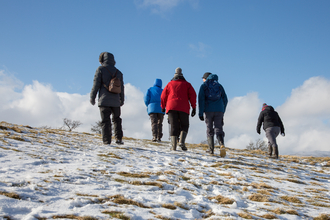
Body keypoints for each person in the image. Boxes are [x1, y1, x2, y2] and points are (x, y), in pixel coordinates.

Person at [90, 52, 125, 145]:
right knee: (117, 119)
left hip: (104, 100)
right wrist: (122, 100)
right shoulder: (119, 72)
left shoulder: (100, 69)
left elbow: (96, 85)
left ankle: (107, 141)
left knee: (105, 121)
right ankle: (119, 138)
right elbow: (122, 88)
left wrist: (92, 97)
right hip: (116, 101)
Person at [161, 67, 197, 151]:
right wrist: (194, 107)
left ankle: (173, 146)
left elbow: (163, 96)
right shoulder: (187, 84)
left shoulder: (169, 84)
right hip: (183, 107)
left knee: (174, 125)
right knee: (185, 125)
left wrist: (163, 106)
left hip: (171, 106)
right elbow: (193, 95)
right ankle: (181, 142)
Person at [198, 72, 228, 155]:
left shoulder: (204, 86)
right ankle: (222, 144)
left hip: (208, 110)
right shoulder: (219, 86)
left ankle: (211, 149)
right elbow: (225, 99)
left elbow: (201, 100)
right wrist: (222, 110)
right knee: (219, 128)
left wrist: (200, 113)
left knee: (209, 129)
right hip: (219, 110)